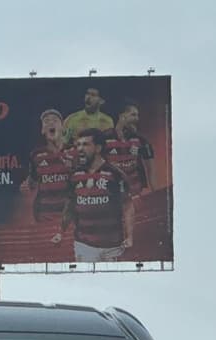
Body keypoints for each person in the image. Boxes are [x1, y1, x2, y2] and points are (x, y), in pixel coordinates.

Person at [51, 128, 134, 262]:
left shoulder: (115, 174)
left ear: (98, 148)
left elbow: (127, 205)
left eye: (85, 144)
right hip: (84, 245)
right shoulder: (74, 176)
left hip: (113, 246)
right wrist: (60, 232)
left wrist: (129, 237)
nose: (80, 149)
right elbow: (69, 207)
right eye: (78, 145)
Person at [21, 109, 75, 222]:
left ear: (63, 128)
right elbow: (33, 181)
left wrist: (73, 168)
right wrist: (27, 185)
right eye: (46, 121)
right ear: (42, 130)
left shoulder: (75, 151)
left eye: (55, 120)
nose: (50, 123)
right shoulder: (36, 155)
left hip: (70, 218)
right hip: (45, 217)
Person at [102, 100, 156, 197]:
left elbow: (151, 171)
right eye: (133, 115)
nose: (137, 118)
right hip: (112, 195)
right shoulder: (104, 138)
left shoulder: (141, 140)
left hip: (136, 195)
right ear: (122, 116)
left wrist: (154, 193)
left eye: (137, 115)